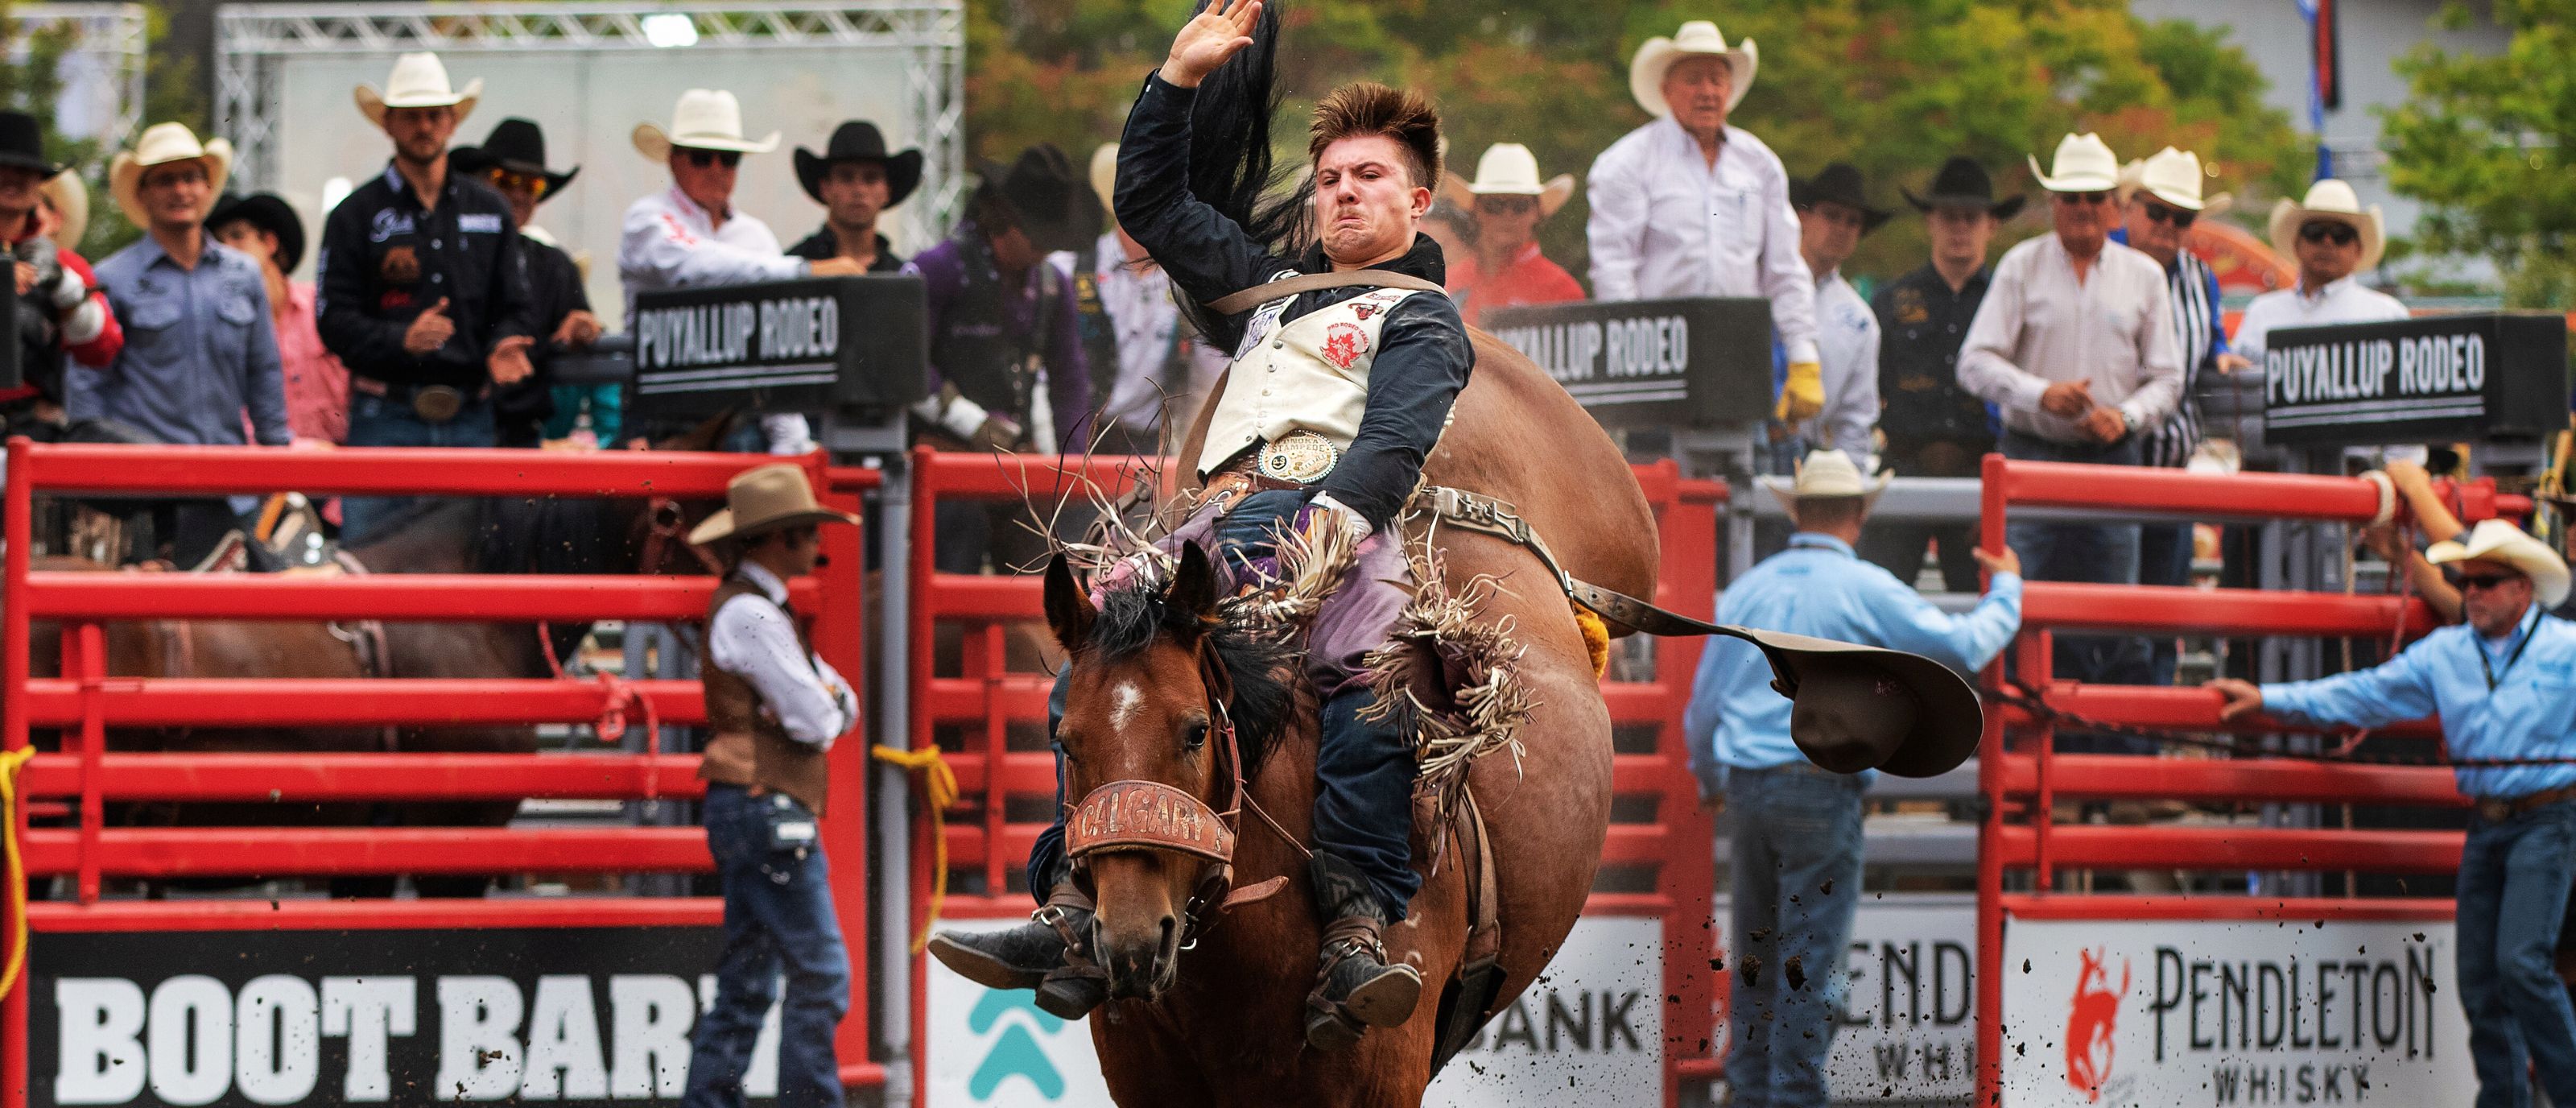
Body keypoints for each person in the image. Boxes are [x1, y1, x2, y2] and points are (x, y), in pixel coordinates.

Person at [930, 0, 1470, 1050]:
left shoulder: (1421, 316)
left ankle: (1358, 920)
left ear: (1419, 197)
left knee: (1375, 674)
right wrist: (1176, 78)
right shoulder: (1268, 291)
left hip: (1337, 524)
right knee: (1099, 663)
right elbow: (1151, 202)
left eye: (1367, 176)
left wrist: (1317, 545)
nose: (1343, 192)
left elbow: (1392, 447)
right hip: (1214, 522)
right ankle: (1071, 903)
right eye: (1328, 179)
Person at [1686, 449, 2022, 1108]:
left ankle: (1753, 1094)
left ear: (1796, 509)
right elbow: (1961, 646)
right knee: (1809, 959)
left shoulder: (1751, 587)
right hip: (1820, 785)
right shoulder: (1866, 587)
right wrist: (2008, 591)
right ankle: (1794, 1096)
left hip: (1750, 787)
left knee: (1757, 950)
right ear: (1861, 512)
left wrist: (1710, 781)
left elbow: (1704, 705)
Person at [2208, 520, 2576, 1108]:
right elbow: (2363, 693)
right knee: (2483, 978)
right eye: (2466, 580)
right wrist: (2272, 700)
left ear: (2521, 590)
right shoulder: (2448, 653)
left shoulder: (2566, 649)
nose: (2471, 590)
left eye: (2486, 580)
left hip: (2547, 817)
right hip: (2494, 821)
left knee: (2519, 963)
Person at [1956, 133, 2181, 694]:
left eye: (2093, 197)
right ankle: (2022, 739)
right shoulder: (2021, 266)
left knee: (2111, 606)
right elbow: (1973, 362)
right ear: (2054, 203)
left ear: (2112, 205)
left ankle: (2096, 751)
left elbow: (2168, 377)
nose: (2082, 208)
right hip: (2032, 454)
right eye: (2070, 197)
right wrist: (2039, 394)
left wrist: (2125, 417)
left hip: (2111, 456)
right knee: (2018, 598)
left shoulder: (2144, 277)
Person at [679, 463, 859, 1108]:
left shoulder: (752, 609)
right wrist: (824, 704)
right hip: (768, 809)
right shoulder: (756, 615)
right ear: (779, 538)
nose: (818, 544)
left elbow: (829, 705)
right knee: (820, 974)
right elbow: (822, 714)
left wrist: (822, 703)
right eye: (809, 532)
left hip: (751, 804)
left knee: (748, 981)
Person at [317, 52, 539, 543]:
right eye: (412, 116)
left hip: (471, 413)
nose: (425, 126)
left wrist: (506, 343)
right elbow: (332, 319)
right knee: (370, 572)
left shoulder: (491, 209)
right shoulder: (355, 215)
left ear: (452, 121)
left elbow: (517, 305)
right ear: (388, 123)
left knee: (471, 574)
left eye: (435, 114)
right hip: (386, 416)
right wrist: (402, 341)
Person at [1586, 20, 1823, 432]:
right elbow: (1614, 271)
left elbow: (1784, 268)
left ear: (1731, 91)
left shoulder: (1760, 164)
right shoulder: (1627, 162)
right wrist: (1633, 360)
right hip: (1658, 357)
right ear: (1666, 91)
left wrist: (1803, 355)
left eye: (1717, 79)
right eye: (1693, 79)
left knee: (1741, 478)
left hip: (1740, 358)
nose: (1708, 91)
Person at [77, 124, 288, 568]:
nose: (181, 190)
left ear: (208, 188)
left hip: (231, 490)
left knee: (234, 629)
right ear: (144, 194)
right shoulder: (112, 279)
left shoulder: (243, 275)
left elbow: (264, 372)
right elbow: (86, 387)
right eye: (165, 179)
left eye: (190, 177)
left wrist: (278, 462)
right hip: (147, 498)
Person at [621, 89, 868, 454]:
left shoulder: (754, 236)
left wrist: (790, 442)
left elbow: (776, 336)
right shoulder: (648, 217)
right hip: (661, 415)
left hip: (740, 420)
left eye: (730, 159)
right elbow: (696, 266)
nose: (717, 170)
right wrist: (805, 270)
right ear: (674, 161)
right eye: (702, 158)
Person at [904, 144, 1098, 573]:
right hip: (942, 462)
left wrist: (1076, 464)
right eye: (1038, 236)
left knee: (1049, 564)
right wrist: (973, 424)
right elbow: (906, 362)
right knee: (953, 557)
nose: (1045, 249)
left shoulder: (1053, 285)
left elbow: (1070, 378)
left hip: (1017, 466)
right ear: (1002, 220)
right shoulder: (940, 268)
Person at [2108, 147, 2248, 684]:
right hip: (2110, 468)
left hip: (2170, 469)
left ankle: (2150, 725)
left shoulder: (2200, 277)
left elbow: (2209, 334)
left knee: (2164, 608)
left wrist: (2220, 354)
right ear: (2131, 209)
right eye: (2158, 212)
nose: (2169, 226)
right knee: (2109, 610)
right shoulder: (2103, 261)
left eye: (2182, 218)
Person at [1858, 155, 2018, 593]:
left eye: (1971, 218)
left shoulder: (2008, 301)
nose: (1960, 228)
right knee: (1878, 598)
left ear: (1992, 225)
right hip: (1905, 466)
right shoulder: (1893, 299)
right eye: (1949, 217)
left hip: (1979, 475)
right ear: (1931, 221)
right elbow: (1868, 386)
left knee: (1979, 600)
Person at [452, 118, 602, 448]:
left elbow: (581, 320)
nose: (519, 194)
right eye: (506, 180)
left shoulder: (554, 265)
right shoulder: (447, 250)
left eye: (531, 185)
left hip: (518, 431)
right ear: (478, 184)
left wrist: (583, 326)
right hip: (451, 421)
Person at [1080, 142, 1226, 457]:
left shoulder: (1189, 284)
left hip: (1149, 450)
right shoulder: (1070, 272)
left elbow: (1209, 381)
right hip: (1075, 440)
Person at [0, 110, 120, 438]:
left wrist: (61, 284)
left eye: (24, 169)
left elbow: (101, 351)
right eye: (2, 167)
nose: (12, 177)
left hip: (36, 432)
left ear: (39, 182)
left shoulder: (67, 266)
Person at [209, 192, 347, 445]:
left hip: (342, 466)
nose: (227, 250)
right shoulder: (218, 325)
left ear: (270, 242)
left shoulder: (323, 306)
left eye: (237, 236)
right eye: (217, 244)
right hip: (262, 473)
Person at [1787, 162, 1884, 469]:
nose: (1842, 229)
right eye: (1832, 215)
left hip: (1812, 454)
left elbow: (1855, 419)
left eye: (1853, 222)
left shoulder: (1860, 320)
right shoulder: (1761, 283)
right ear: (1804, 217)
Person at [1441, 143, 1582, 327]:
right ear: (1476, 210)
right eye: (1494, 205)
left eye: (1520, 206)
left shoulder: (1561, 290)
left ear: (1537, 213)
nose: (1507, 216)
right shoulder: (1449, 282)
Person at [785, 120, 919, 272]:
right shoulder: (794, 269)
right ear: (825, 188)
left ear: (887, 191)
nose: (859, 190)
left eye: (871, 178)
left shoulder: (900, 276)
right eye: (846, 177)